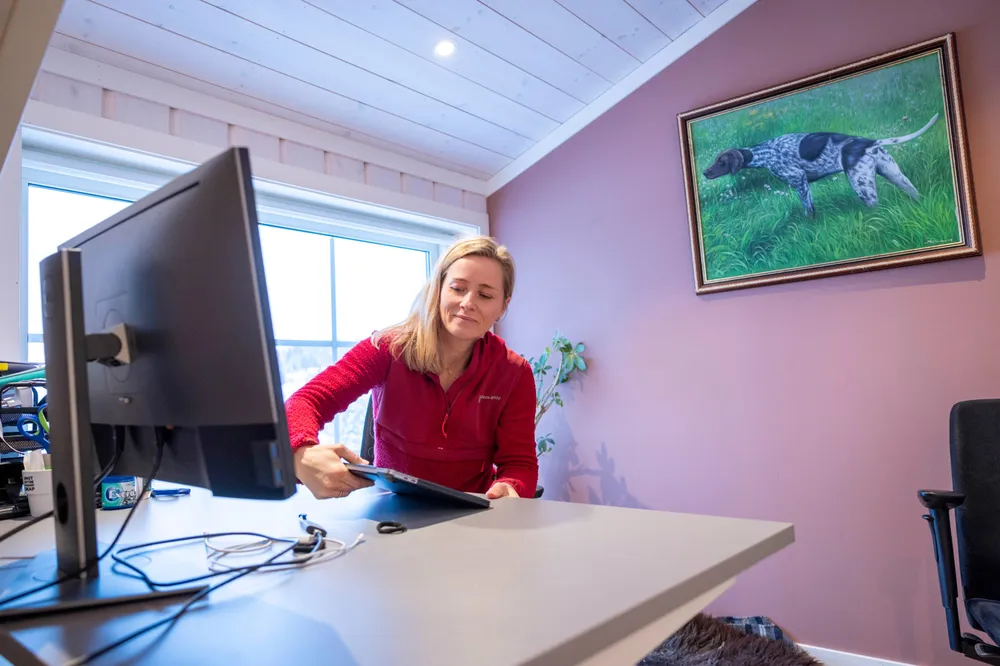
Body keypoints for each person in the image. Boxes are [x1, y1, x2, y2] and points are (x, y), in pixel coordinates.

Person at [285, 235, 538, 501]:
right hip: (390, 509)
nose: (468, 303)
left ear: (503, 306)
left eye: (485, 295)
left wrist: (511, 487)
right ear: (438, 290)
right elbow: (304, 402)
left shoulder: (514, 373)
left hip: (473, 511)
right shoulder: (386, 348)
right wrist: (301, 451)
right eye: (457, 288)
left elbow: (520, 463)